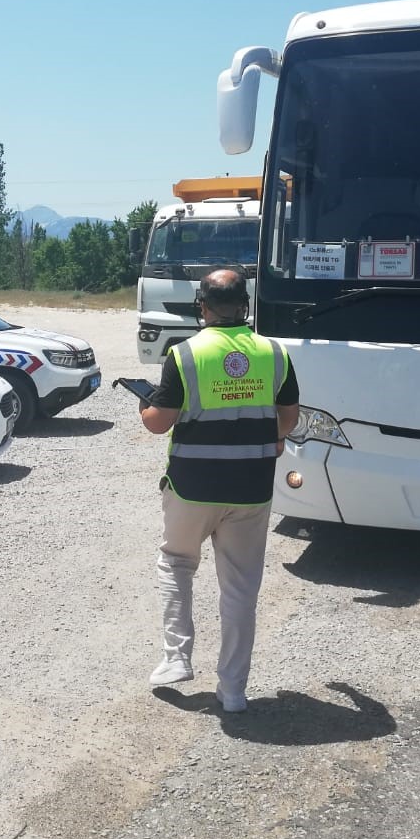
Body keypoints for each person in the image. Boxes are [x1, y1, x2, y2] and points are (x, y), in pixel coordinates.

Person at [138, 269, 300, 712]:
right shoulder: (273, 353)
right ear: (244, 306)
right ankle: (233, 692)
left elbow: (158, 422)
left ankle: (176, 659)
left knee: (176, 563)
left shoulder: (185, 354)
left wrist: (144, 401)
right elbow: (288, 418)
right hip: (250, 489)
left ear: (202, 307)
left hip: (192, 488)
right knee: (241, 589)